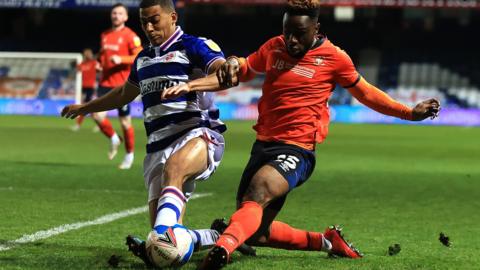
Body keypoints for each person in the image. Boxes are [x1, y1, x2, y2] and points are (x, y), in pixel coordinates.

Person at [161, 0, 441, 268]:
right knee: (256, 231)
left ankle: (221, 250)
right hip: (263, 146)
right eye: (287, 32)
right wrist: (220, 69)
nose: (292, 40)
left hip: (298, 150)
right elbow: (242, 70)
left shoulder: (335, 58)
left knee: (258, 192)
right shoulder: (275, 47)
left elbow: (366, 93)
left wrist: (408, 113)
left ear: (316, 29)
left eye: (300, 34)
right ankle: (327, 242)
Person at [61, 0, 253, 266]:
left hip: (198, 134)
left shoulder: (194, 45)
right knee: (166, 251)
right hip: (156, 148)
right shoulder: (143, 58)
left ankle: (159, 236)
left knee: (173, 175)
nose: (149, 28)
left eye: (154, 20)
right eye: (144, 22)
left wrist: (190, 85)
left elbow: (225, 75)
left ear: (172, 17)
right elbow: (122, 94)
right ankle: (218, 235)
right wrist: (86, 107)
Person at [94, 3, 143, 169]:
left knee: (125, 122)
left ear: (126, 17)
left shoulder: (130, 36)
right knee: (96, 115)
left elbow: (138, 56)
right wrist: (99, 64)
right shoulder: (105, 34)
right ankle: (114, 138)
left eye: (120, 13)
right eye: (114, 13)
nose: (116, 16)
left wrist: (121, 59)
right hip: (105, 83)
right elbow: (103, 55)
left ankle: (129, 156)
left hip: (122, 85)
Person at [71, 48, 98, 132]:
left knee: (84, 107)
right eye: (86, 53)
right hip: (83, 88)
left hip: (90, 88)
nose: (88, 55)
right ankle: (99, 124)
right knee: (87, 107)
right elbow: (75, 67)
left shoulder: (94, 63)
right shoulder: (82, 64)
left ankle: (78, 125)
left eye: (89, 53)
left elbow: (100, 67)